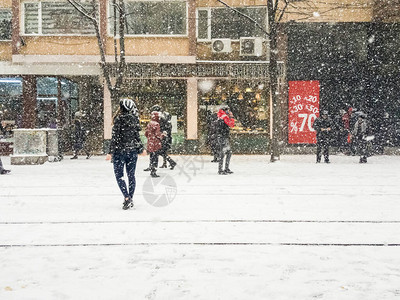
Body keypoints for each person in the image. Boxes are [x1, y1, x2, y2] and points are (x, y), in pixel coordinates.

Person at [106, 98, 143, 210]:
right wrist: (141, 148)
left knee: (119, 176)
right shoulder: (135, 120)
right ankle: (130, 197)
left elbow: (115, 138)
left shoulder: (118, 120)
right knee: (131, 175)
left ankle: (126, 197)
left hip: (119, 151)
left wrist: (110, 152)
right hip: (132, 152)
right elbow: (137, 136)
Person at [216, 105, 235, 175]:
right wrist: (231, 117)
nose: (230, 112)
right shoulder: (224, 117)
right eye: (229, 110)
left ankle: (225, 168)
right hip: (223, 137)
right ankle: (221, 169)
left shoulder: (221, 116)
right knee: (223, 153)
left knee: (227, 153)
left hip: (222, 137)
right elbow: (231, 124)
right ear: (226, 111)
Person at [145, 111, 164, 178]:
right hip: (155, 143)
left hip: (150, 143)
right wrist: (162, 135)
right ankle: (154, 171)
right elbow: (157, 134)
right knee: (155, 158)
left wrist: (150, 138)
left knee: (151, 157)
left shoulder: (149, 123)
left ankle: (151, 168)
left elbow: (146, 133)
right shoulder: (157, 124)